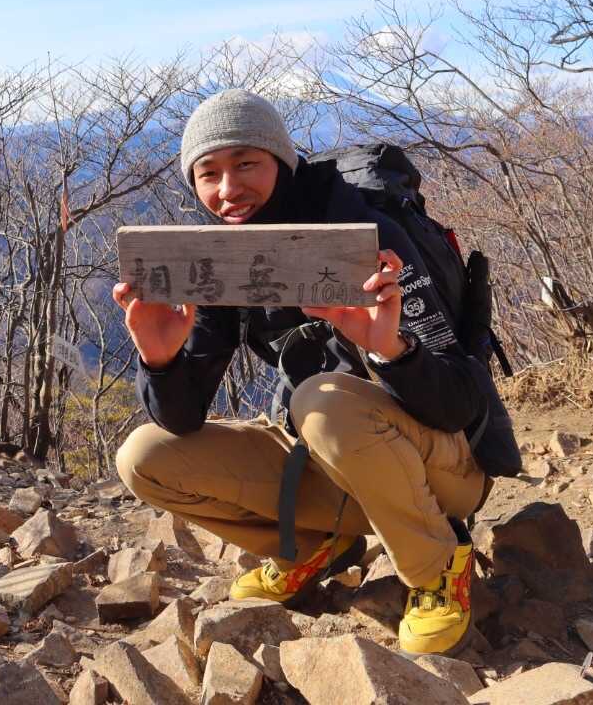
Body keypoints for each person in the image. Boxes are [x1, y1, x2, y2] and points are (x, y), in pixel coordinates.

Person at [112, 88, 519, 656]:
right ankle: (312, 548)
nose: (227, 190)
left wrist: (390, 351)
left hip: (441, 465)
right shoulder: (222, 258)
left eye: (246, 164)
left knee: (321, 400)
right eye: (208, 173)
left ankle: (435, 568)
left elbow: (461, 405)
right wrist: (160, 361)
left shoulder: (366, 236)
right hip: (329, 455)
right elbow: (181, 420)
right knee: (144, 457)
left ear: (282, 161)